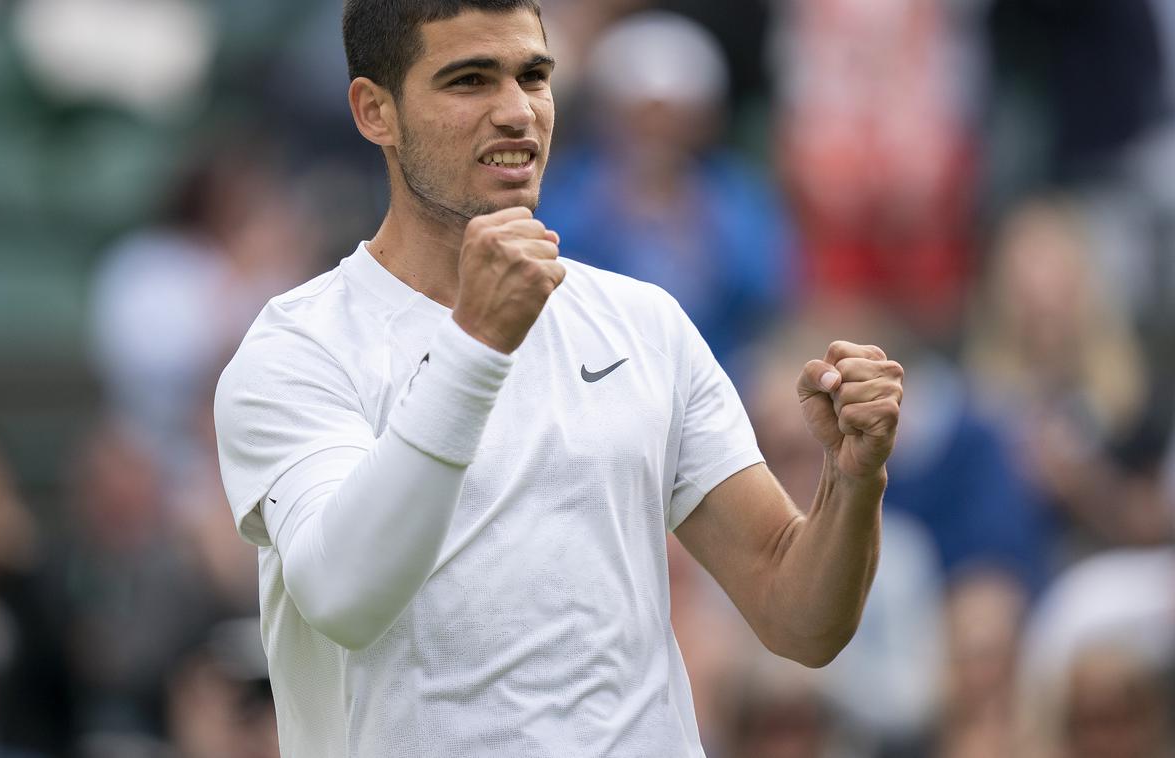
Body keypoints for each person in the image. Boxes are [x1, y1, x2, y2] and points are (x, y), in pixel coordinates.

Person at [212, 2, 904, 755]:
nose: (516, 112)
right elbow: (342, 595)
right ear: (374, 111)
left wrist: (851, 481)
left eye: (533, 76)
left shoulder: (646, 324)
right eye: (468, 80)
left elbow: (797, 617)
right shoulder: (299, 347)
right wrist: (477, 346)